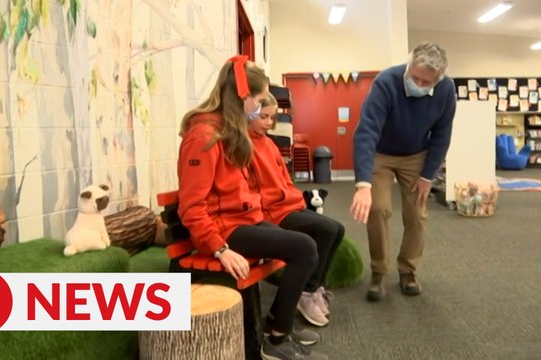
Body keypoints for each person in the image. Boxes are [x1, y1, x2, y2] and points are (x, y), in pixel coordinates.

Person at [178, 55, 327, 360]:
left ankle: (276, 324)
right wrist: (220, 249)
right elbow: (191, 206)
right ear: (243, 97)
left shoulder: (229, 129)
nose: (260, 108)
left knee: (305, 245)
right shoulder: (203, 136)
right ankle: (277, 338)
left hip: (243, 222)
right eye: (258, 100)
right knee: (304, 248)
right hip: (223, 231)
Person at [350, 42, 457, 302]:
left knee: (417, 214)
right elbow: (366, 132)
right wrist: (363, 184)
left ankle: (408, 271)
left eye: (425, 82)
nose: (418, 84)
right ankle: (378, 271)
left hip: (416, 155)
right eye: (415, 77)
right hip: (381, 153)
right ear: (409, 65)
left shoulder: (446, 89)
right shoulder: (386, 82)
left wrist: (427, 176)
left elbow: (442, 134)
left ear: (438, 80)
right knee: (377, 209)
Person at [248, 93, 345, 327]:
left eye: (272, 117)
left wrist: (294, 198)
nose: (269, 123)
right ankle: (306, 292)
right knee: (326, 230)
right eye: (263, 117)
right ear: (247, 113)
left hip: (287, 205)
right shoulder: (245, 144)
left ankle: (314, 288)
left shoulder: (268, 143)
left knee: (337, 228)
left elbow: (284, 181)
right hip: (271, 213)